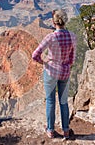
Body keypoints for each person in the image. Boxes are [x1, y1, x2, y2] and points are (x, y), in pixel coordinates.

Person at [32, 9, 76, 139]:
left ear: (54, 21)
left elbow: (35, 55)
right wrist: (67, 66)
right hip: (65, 72)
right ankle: (66, 130)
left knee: (50, 101)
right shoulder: (72, 36)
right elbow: (72, 58)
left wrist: (44, 62)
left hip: (51, 72)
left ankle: (50, 130)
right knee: (64, 101)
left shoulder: (50, 37)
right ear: (65, 20)